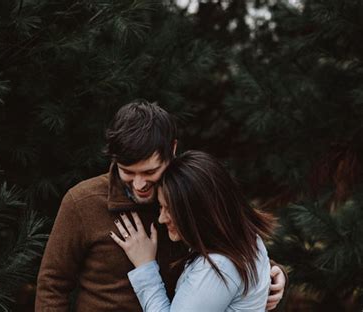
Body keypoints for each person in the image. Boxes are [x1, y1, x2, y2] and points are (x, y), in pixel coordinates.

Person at [35, 100, 286, 311]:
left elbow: (222, 238)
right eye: (127, 172)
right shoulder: (82, 202)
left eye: (150, 171)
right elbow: (53, 285)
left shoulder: (188, 196)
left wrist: (272, 272)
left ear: (172, 149)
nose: (139, 184)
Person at [111, 150, 274, 311]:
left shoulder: (218, 267)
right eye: (161, 207)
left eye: (170, 210)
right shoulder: (245, 239)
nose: (161, 219)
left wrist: (145, 266)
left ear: (199, 212)